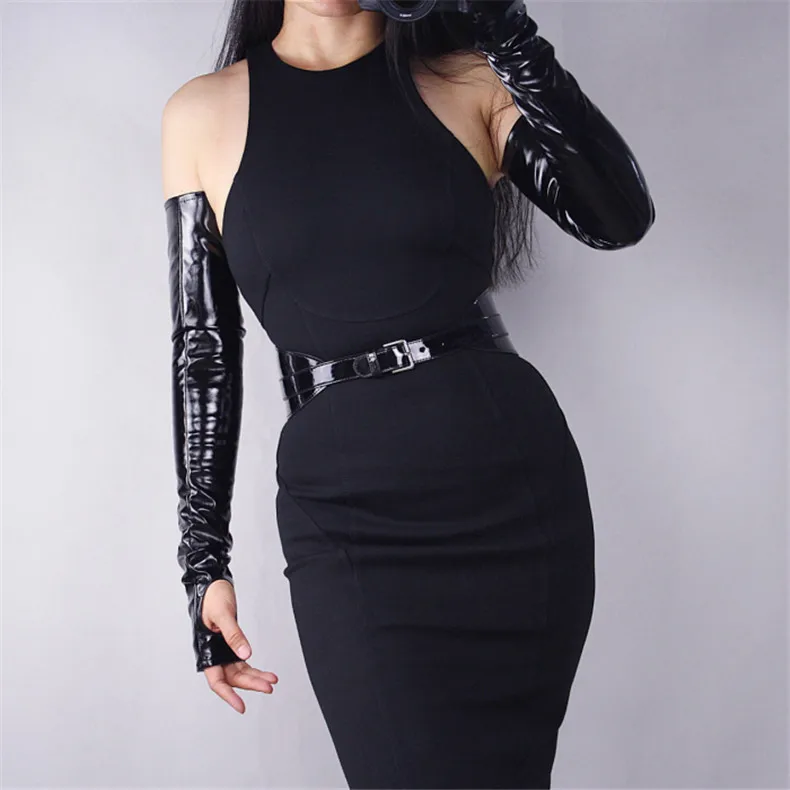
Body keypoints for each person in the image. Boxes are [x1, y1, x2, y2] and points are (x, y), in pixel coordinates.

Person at [161, 0, 655, 786]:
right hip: (345, 514)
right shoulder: (202, 113)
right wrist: (202, 564)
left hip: (509, 487)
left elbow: (616, 217)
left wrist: (505, 27)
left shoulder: (469, 80)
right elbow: (204, 352)